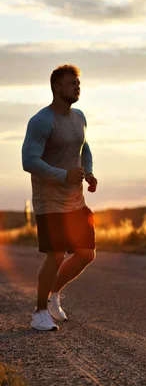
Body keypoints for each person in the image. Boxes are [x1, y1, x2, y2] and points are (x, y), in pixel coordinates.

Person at [22, 64, 99, 331]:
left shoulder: (79, 117)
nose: (77, 88)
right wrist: (62, 175)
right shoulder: (42, 121)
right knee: (55, 256)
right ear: (56, 87)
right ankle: (39, 312)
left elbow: (84, 147)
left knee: (86, 254)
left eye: (78, 84)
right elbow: (29, 160)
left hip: (75, 200)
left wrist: (87, 172)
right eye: (71, 84)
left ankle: (53, 294)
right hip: (50, 201)